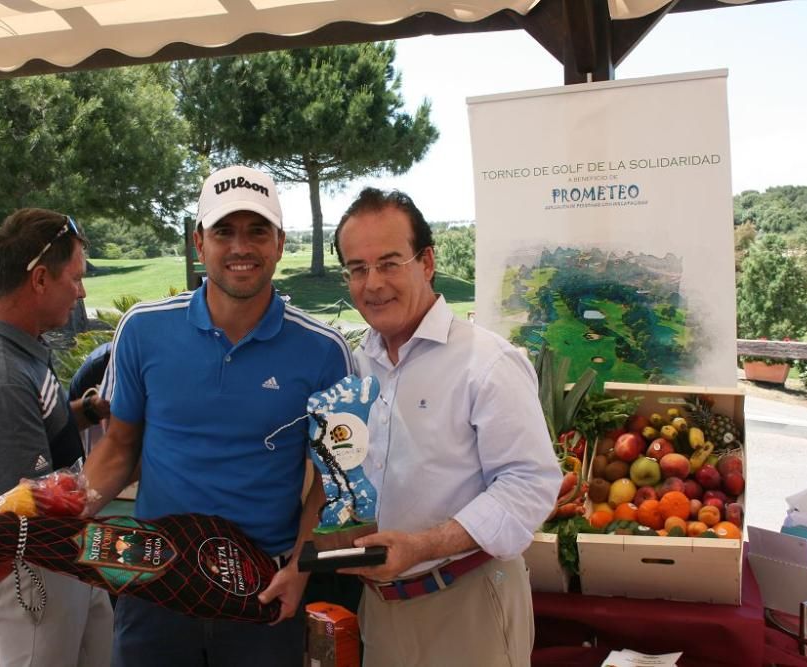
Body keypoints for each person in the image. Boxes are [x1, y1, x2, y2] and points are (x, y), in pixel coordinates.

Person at [82, 165, 354, 666]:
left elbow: (336, 482)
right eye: (224, 231)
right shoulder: (142, 331)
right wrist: (60, 514)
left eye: (257, 231)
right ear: (198, 242)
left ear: (279, 242)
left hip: (265, 594)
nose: (240, 247)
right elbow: (119, 448)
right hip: (155, 586)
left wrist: (300, 568)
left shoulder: (324, 351)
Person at [333, 188, 563, 667]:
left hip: (468, 601)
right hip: (381, 610)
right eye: (357, 268)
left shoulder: (488, 362)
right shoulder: (355, 366)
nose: (372, 283)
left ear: (427, 261)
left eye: (389, 263)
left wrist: (422, 546)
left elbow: (530, 487)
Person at [0, 208, 113, 667]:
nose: (81, 292)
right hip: (27, 572)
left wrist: (93, 409)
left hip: (63, 557)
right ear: (40, 279)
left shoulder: (19, 344)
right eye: (76, 278)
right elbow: (36, 504)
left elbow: (48, 426)